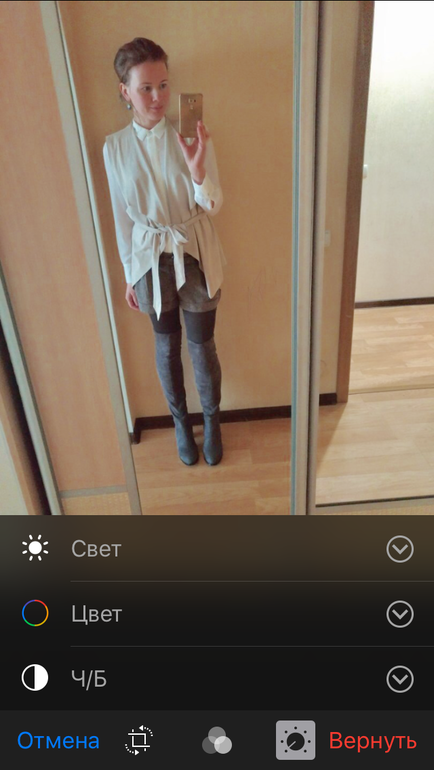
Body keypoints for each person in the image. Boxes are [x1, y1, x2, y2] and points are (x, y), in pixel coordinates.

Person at [103, 37, 227, 466]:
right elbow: (121, 218)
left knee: (202, 347)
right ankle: (181, 424)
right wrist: (128, 274)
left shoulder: (189, 134)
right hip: (149, 259)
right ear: (125, 90)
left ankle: (212, 421)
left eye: (163, 85)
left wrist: (198, 171)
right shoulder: (114, 148)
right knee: (166, 348)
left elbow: (214, 205)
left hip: (195, 251)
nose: (157, 97)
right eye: (145, 88)